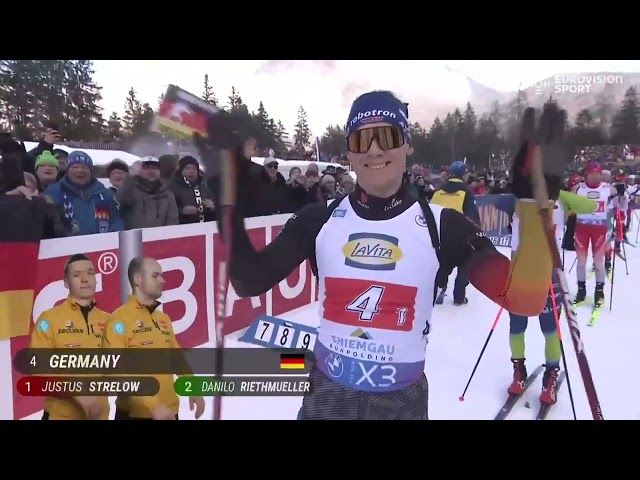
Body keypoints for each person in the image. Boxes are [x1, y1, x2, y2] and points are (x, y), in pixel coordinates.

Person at [201, 91, 564, 420]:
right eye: (361, 139)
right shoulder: (319, 218)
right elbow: (248, 280)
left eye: (387, 136)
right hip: (325, 400)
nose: (374, 150)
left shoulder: (443, 225)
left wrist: (535, 201)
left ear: (407, 145)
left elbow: (524, 298)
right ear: (349, 152)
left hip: (400, 405)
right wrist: (224, 190)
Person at [507, 191, 596, 405]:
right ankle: (519, 372)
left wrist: (560, 195)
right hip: (520, 273)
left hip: (547, 273)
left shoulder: (556, 197)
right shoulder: (520, 197)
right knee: (517, 327)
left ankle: (550, 377)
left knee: (549, 328)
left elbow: (590, 206)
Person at [102, 257, 205, 420]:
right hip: (135, 415)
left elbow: (176, 358)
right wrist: (153, 405)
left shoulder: (163, 319)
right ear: (138, 279)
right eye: (155, 276)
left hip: (168, 413)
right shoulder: (119, 321)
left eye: (161, 275)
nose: (162, 280)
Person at [30, 254, 111, 420]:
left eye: (90, 273)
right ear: (66, 283)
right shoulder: (50, 319)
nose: (85, 279)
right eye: (77, 275)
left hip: (98, 416)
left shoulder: (109, 320)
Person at [430, 160, 480, 305]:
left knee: (444, 266)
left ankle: (439, 291)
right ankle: (459, 297)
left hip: (442, 235)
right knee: (464, 266)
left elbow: (430, 212)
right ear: (463, 174)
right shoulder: (466, 192)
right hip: (461, 235)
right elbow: (472, 216)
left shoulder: (438, 191)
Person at [570, 163, 616, 306]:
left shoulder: (608, 188)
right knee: (581, 262)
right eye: (593, 173)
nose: (596, 176)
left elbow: (617, 201)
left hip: (599, 229)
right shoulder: (578, 188)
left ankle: (599, 291)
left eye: (598, 173)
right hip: (582, 228)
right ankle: (581, 290)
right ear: (587, 175)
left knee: (598, 262)